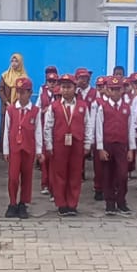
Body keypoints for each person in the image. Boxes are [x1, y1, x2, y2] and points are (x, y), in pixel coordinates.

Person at [43, 75, 90, 216]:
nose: (66, 90)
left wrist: (87, 143)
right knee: (59, 174)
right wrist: (49, 145)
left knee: (75, 174)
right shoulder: (54, 106)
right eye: (63, 87)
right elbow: (48, 127)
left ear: (75, 88)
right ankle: (61, 204)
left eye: (69, 87)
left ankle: (72, 204)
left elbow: (88, 125)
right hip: (59, 144)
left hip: (77, 143)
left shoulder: (82, 106)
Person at [91, 76, 137, 216]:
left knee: (122, 175)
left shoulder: (127, 108)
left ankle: (121, 201)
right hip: (107, 145)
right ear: (107, 90)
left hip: (122, 146)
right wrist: (100, 148)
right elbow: (98, 128)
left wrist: (131, 149)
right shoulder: (102, 108)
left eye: (118, 89)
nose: (115, 92)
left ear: (122, 90)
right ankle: (110, 203)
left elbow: (131, 128)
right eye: (112, 89)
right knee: (108, 175)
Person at [1, 76, 40, 219]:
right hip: (15, 149)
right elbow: (6, 130)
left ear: (30, 93)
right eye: (18, 92)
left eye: (23, 92)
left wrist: (39, 150)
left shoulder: (35, 111)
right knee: (13, 177)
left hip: (29, 149)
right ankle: (12, 203)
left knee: (27, 177)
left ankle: (23, 203)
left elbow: (38, 131)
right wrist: (6, 150)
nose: (20, 95)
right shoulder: (11, 110)